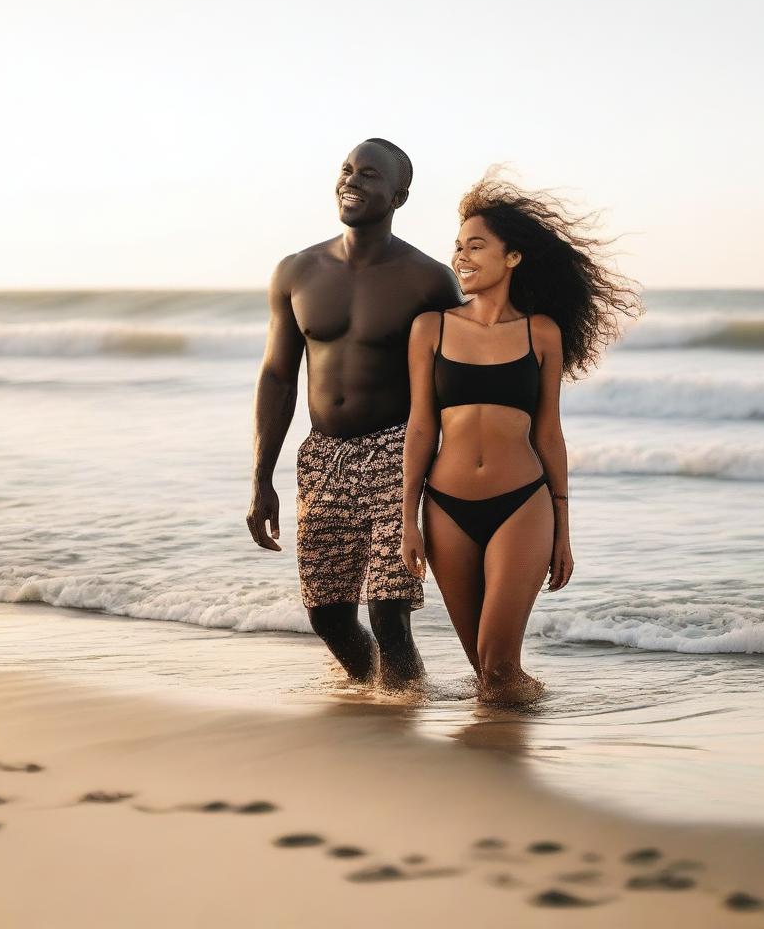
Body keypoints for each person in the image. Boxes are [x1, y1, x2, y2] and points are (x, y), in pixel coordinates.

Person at [401, 171, 640, 705]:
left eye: (477, 246)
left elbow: (550, 433)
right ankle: (507, 757)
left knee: (497, 661)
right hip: (446, 508)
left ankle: (532, 727)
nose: (462, 256)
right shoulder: (430, 328)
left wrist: (563, 528)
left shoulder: (542, 333)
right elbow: (421, 427)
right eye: (458, 247)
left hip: (523, 504)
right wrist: (407, 521)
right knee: (488, 676)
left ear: (512, 257)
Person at [247, 139, 462, 687]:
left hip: (397, 449)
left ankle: (403, 710)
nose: (353, 181)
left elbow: (455, 380)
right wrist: (261, 477)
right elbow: (277, 376)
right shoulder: (297, 271)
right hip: (323, 455)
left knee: (389, 610)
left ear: (399, 195)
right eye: (346, 170)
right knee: (328, 615)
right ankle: (372, 699)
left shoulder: (429, 279)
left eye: (370, 175)